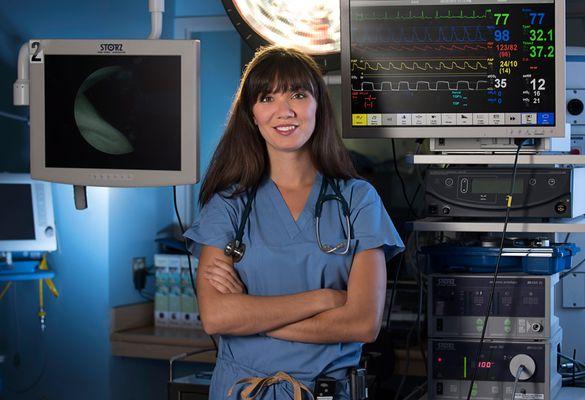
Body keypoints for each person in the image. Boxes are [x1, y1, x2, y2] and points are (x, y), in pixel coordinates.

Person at [184, 45, 404, 400]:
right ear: (252, 115)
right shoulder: (227, 206)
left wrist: (253, 318)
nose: (283, 111)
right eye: (267, 98)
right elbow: (216, 317)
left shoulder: (358, 200)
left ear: (318, 105)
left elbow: (362, 323)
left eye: (298, 95)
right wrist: (325, 299)